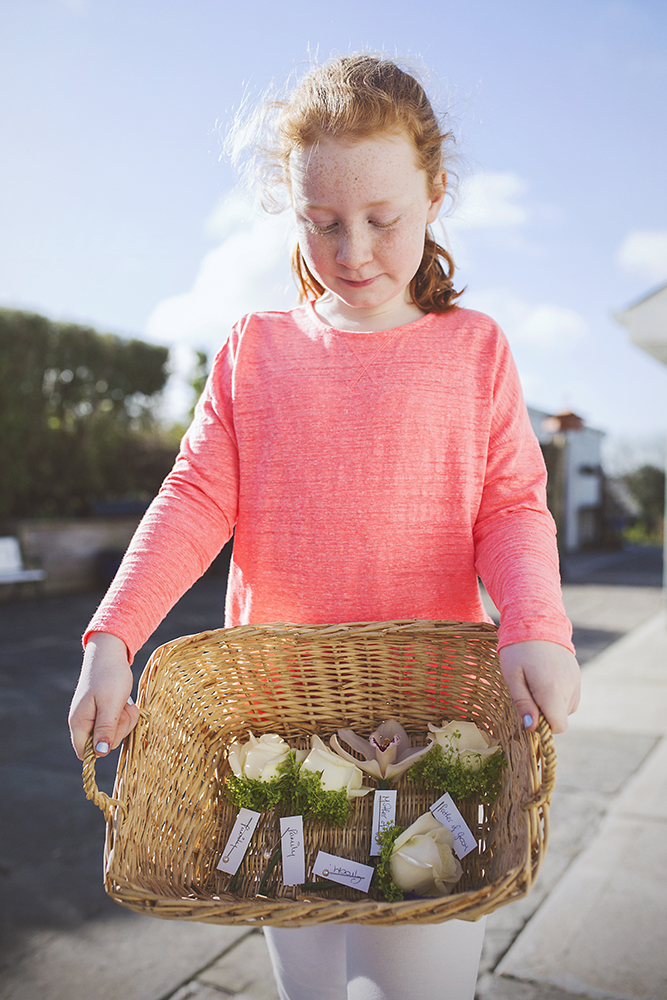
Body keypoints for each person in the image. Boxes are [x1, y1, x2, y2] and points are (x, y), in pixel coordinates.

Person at [69, 53, 580, 1000]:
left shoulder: (474, 351)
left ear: (434, 193)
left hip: (432, 734)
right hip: (276, 738)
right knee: (309, 981)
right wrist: (112, 637)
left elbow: (510, 507)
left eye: (383, 220)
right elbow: (193, 497)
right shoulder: (254, 352)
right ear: (291, 211)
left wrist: (535, 625)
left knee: (414, 985)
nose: (353, 252)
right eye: (322, 223)